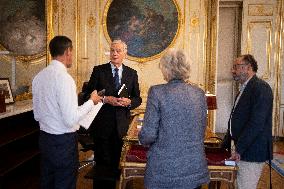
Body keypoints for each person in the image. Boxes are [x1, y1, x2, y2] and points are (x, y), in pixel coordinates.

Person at [32, 35, 102, 189]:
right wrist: (92, 101)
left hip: (44, 140)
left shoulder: (38, 77)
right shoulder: (65, 79)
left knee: (47, 183)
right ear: (68, 52)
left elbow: (36, 114)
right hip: (62, 143)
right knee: (65, 184)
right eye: (72, 52)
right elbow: (70, 119)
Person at [138, 49, 209, 189]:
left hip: (164, 171)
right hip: (194, 168)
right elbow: (201, 130)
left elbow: (148, 135)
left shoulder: (157, 92)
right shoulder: (199, 93)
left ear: (166, 68)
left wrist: (142, 137)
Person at [83, 39, 142, 188]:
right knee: (102, 168)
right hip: (102, 126)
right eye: (112, 50)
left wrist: (130, 102)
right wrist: (104, 99)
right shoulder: (99, 70)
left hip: (122, 128)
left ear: (125, 53)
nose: (114, 53)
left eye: (118, 51)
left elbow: (138, 98)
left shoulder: (132, 73)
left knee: (118, 166)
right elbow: (86, 95)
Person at [228, 54, 273, 189]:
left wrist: (239, 149)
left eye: (235, 67)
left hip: (252, 151)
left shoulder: (261, 88)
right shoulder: (245, 88)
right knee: (239, 185)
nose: (233, 71)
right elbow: (236, 118)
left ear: (248, 68)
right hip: (243, 149)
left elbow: (256, 124)